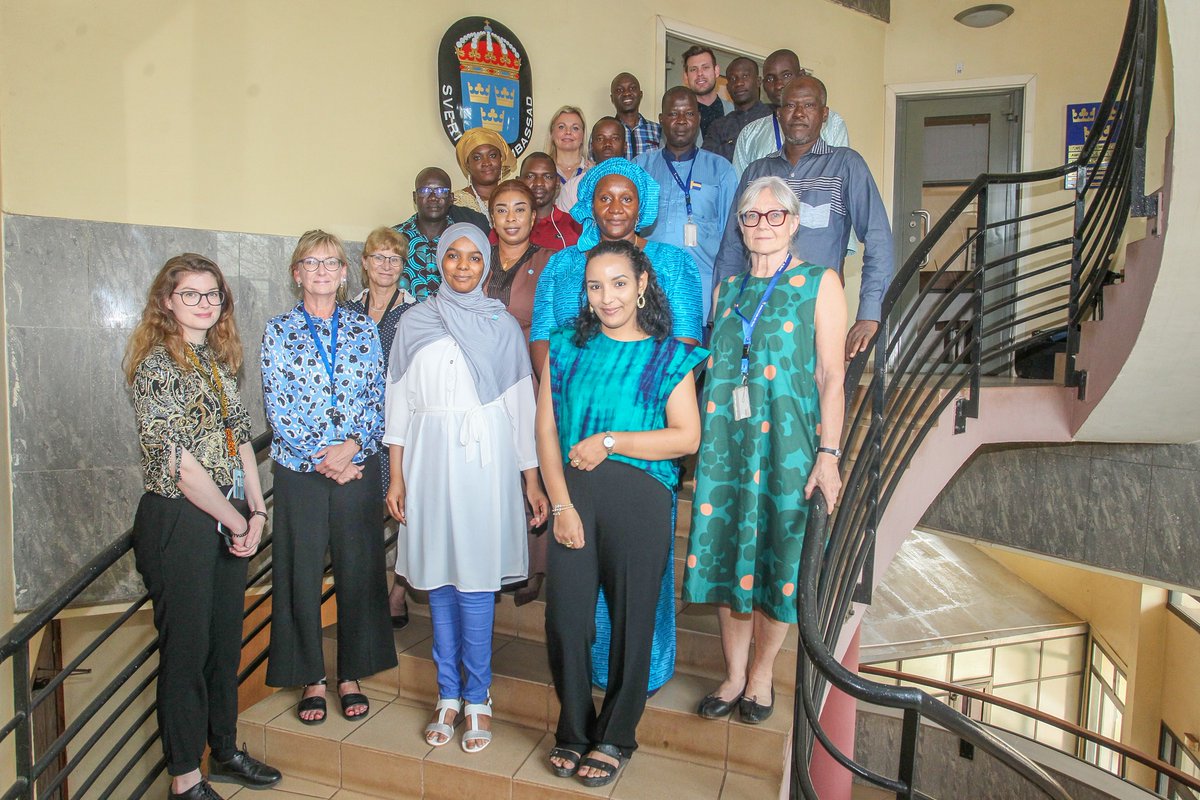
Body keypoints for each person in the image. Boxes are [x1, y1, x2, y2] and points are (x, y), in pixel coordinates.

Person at [539, 240, 705, 786]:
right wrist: (560, 503)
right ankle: (574, 728)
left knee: (634, 620)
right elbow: (545, 431)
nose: (606, 296)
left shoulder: (668, 355)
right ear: (584, 294)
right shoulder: (563, 347)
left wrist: (611, 440)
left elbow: (686, 436)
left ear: (641, 286)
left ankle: (616, 734)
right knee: (566, 619)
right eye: (595, 286)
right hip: (575, 500)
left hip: (642, 501)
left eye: (617, 283)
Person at [683, 176, 846, 726]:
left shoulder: (819, 283)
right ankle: (732, 674)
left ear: (795, 224)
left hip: (790, 445)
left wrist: (830, 452)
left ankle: (762, 674)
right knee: (731, 559)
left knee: (778, 556)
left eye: (776, 216)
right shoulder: (725, 290)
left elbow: (831, 375)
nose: (764, 226)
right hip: (726, 448)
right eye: (753, 216)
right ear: (740, 225)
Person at [385, 223, 548, 753]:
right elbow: (398, 405)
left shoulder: (501, 326)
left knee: (475, 578)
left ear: (485, 265)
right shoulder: (413, 322)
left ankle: (478, 698)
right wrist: (397, 473)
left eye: (473, 258)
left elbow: (521, 406)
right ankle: (447, 695)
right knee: (438, 576)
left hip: (486, 461)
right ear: (438, 261)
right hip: (429, 459)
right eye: (452, 256)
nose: (461, 266)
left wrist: (531, 479)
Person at [126, 254, 281, 799]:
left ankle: (226, 747)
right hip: (180, 523)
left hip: (227, 516)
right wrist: (235, 516)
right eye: (191, 294)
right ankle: (185, 778)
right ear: (166, 301)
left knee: (223, 645)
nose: (205, 304)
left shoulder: (215, 360)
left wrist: (257, 510)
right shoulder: (155, 367)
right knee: (187, 653)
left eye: (213, 294)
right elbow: (179, 466)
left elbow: (241, 440)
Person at [261, 230, 397, 725]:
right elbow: (277, 405)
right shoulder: (277, 331)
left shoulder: (363, 330)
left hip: (357, 464)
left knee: (359, 569)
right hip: (301, 470)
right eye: (311, 263)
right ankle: (312, 678)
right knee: (298, 573)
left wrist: (352, 447)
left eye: (332, 262)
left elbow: (377, 400)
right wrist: (322, 456)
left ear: (345, 274)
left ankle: (350, 674)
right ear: (297, 273)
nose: (322, 270)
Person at [714, 76, 893, 359]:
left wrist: (869, 313)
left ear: (824, 114)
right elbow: (731, 247)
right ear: (778, 113)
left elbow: (878, 237)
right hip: (755, 313)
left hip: (816, 312)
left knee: (813, 396)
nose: (798, 114)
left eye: (809, 105)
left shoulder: (845, 165)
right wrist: (722, 310)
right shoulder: (757, 172)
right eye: (790, 106)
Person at [487, 178, 555, 606]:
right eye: (502, 210)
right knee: (490, 473)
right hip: (478, 381)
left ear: (534, 216)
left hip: (528, 377)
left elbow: (553, 324)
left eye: (520, 209)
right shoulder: (474, 258)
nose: (511, 218)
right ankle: (492, 560)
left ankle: (532, 566)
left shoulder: (551, 262)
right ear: (492, 218)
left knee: (530, 467)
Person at [346, 227, 417, 631]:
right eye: (379, 257)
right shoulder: (347, 311)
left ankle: (397, 592)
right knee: (362, 517)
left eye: (394, 258)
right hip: (358, 431)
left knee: (404, 513)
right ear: (365, 263)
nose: (386, 265)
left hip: (400, 428)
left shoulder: (415, 311)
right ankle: (366, 593)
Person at [636, 86, 738, 325]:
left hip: (702, 292)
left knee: (697, 360)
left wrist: (724, 298)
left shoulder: (721, 170)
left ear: (699, 118)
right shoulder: (641, 167)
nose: (681, 121)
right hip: (648, 288)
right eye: (673, 114)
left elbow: (731, 240)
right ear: (661, 120)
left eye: (689, 114)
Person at [731, 49, 850, 176]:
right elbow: (741, 189)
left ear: (801, 75)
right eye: (770, 79)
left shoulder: (832, 122)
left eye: (786, 75)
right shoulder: (749, 134)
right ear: (763, 84)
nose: (778, 85)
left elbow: (840, 176)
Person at [394, 167, 488, 301]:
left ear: (451, 198)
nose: (433, 197)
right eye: (425, 191)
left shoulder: (464, 241)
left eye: (441, 191)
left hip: (452, 320)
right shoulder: (394, 239)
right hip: (401, 320)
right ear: (415, 197)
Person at [703, 57, 772, 163]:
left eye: (745, 76)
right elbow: (708, 164)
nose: (739, 83)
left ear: (758, 81)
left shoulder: (774, 118)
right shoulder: (718, 127)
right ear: (728, 87)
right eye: (733, 79)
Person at [558, 116, 627, 214]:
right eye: (600, 139)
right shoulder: (572, 188)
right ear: (592, 146)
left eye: (615, 138)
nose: (607, 144)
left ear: (625, 146)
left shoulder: (639, 184)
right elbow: (563, 227)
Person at [518, 152, 582, 251]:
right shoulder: (507, 226)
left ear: (557, 182)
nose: (539, 183)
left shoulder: (574, 227)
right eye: (530, 176)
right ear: (519, 182)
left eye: (547, 177)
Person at [453, 127, 517, 218]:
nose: (486, 163)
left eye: (492, 155)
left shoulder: (516, 198)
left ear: (501, 159)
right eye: (477, 158)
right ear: (467, 165)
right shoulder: (456, 203)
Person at [681, 45, 732, 139]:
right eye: (693, 69)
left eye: (705, 67)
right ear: (686, 77)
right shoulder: (677, 119)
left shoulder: (735, 111)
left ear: (716, 71)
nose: (700, 73)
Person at [610, 72, 661, 160]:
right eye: (619, 90)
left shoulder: (657, 130)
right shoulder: (603, 132)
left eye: (632, 88)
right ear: (612, 98)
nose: (626, 93)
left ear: (641, 94)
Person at [546, 106, 591, 186]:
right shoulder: (543, 170)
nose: (568, 132)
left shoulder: (594, 171)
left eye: (575, 128)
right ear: (552, 133)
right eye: (561, 127)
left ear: (583, 135)